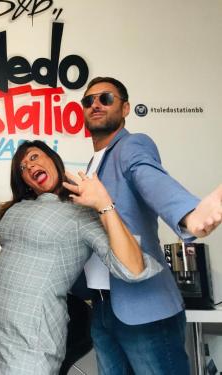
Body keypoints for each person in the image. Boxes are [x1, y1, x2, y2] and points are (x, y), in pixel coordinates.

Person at [0, 139, 163, 374]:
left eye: (34, 157)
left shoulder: (80, 212)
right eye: (23, 168)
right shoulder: (14, 209)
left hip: (32, 338)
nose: (29, 167)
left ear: (52, 159)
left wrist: (104, 204)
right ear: (25, 181)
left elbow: (133, 268)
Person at [78, 76, 222, 375]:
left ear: (126, 107)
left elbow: (149, 178)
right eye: (88, 101)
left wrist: (189, 215)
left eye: (106, 98)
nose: (95, 105)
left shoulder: (132, 146)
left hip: (144, 308)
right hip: (103, 306)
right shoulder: (92, 165)